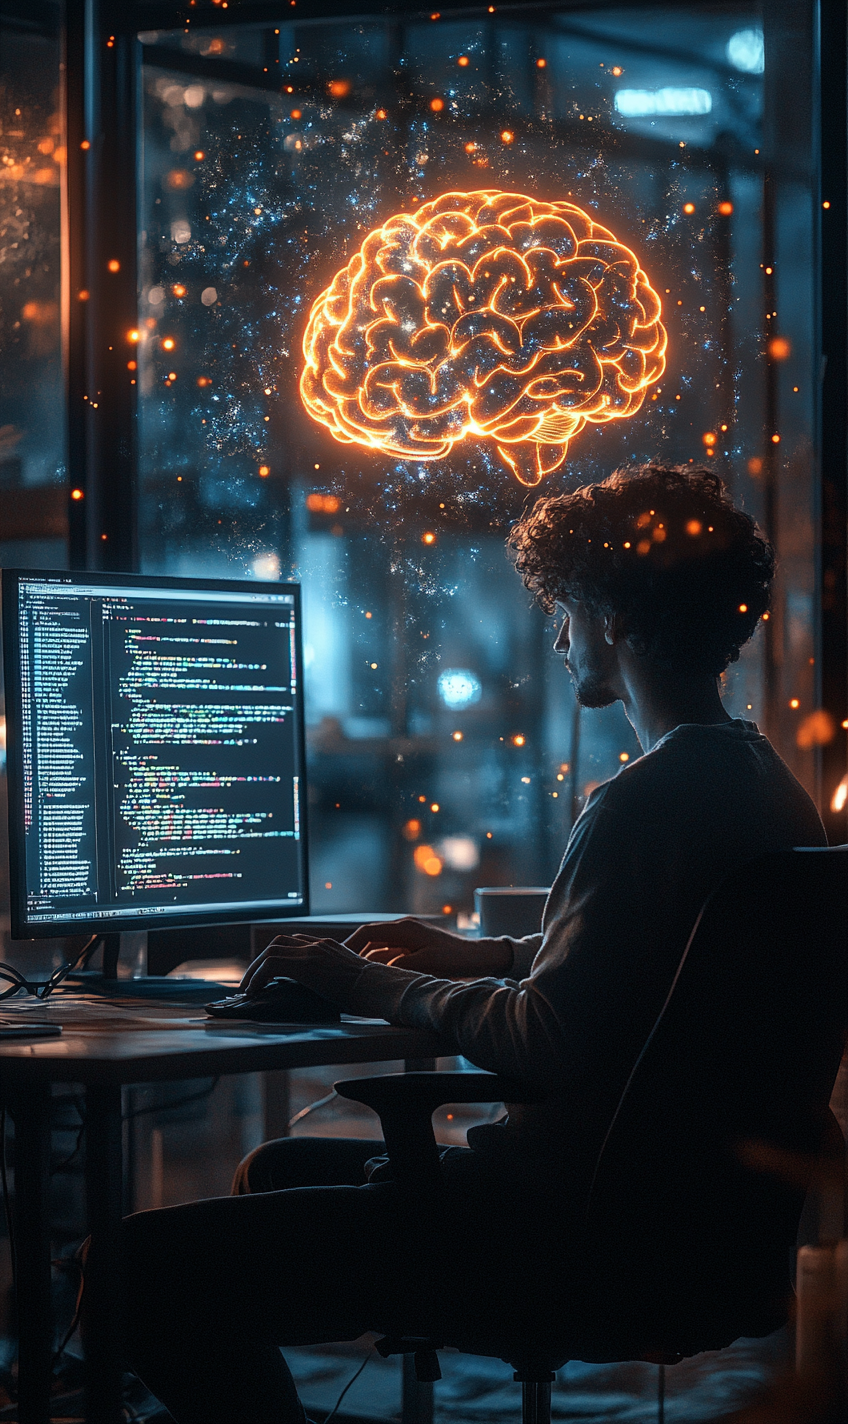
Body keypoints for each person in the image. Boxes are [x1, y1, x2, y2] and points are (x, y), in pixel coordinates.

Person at [120, 463, 825, 1424]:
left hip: (554, 1233)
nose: (561, 631)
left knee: (133, 1270)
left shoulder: (639, 800)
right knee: (274, 1178)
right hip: (682, 1232)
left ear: (612, 613)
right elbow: (661, 957)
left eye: (567, 605)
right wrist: (483, 953)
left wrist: (369, 983)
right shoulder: (761, 784)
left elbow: (547, 1040)